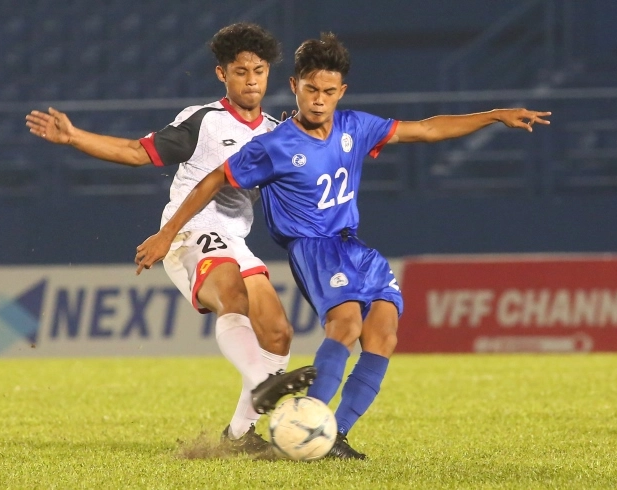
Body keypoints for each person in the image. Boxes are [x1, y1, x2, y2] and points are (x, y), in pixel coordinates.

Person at [133, 32, 551, 459]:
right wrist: (168, 232)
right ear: (294, 86)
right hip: (315, 248)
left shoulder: (356, 126)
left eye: (328, 91)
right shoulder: (275, 143)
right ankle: (303, 423)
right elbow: (216, 178)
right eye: (310, 89)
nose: (318, 99)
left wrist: (495, 115)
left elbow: (426, 129)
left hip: (355, 247)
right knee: (347, 325)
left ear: (341, 92)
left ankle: (335, 434)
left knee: (384, 332)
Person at [24, 23, 316, 455]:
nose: (251, 79)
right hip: (189, 233)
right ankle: (262, 383)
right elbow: (136, 152)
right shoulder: (204, 121)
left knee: (278, 333)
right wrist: (74, 137)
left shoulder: (276, 132)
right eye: (240, 71)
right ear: (222, 74)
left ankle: (238, 436)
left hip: (234, 238)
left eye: (258, 70)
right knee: (231, 296)